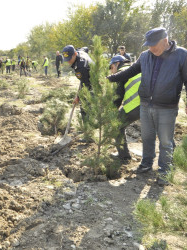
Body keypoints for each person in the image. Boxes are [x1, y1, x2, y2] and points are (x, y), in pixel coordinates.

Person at [107, 28, 187, 185]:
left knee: (165, 141)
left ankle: (164, 171)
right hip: (145, 105)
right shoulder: (145, 56)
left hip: (166, 107)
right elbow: (130, 71)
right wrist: (110, 78)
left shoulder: (182, 55)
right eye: (148, 45)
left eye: (154, 45)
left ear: (165, 41)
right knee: (147, 137)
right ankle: (146, 164)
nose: (151, 49)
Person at [109, 55, 141, 162]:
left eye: (111, 67)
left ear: (117, 64)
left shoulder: (122, 72)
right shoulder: (136, 68)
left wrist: (110, 114)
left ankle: (124, 156)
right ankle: (171, 157)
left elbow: (118, 97)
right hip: (150, 103)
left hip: (135, 105)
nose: (111, 71)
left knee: (117, 125)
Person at [62, 45, 93, 121]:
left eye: (69, 59)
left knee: (85, 105)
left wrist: (78, 97)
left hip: (94, 81)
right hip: (87, 77)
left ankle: (87, 128)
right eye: (66, 59)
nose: (68, 61)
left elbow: (85, 84)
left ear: (75, 54)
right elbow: (85, 48)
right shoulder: (80, 52)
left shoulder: (81, 67)